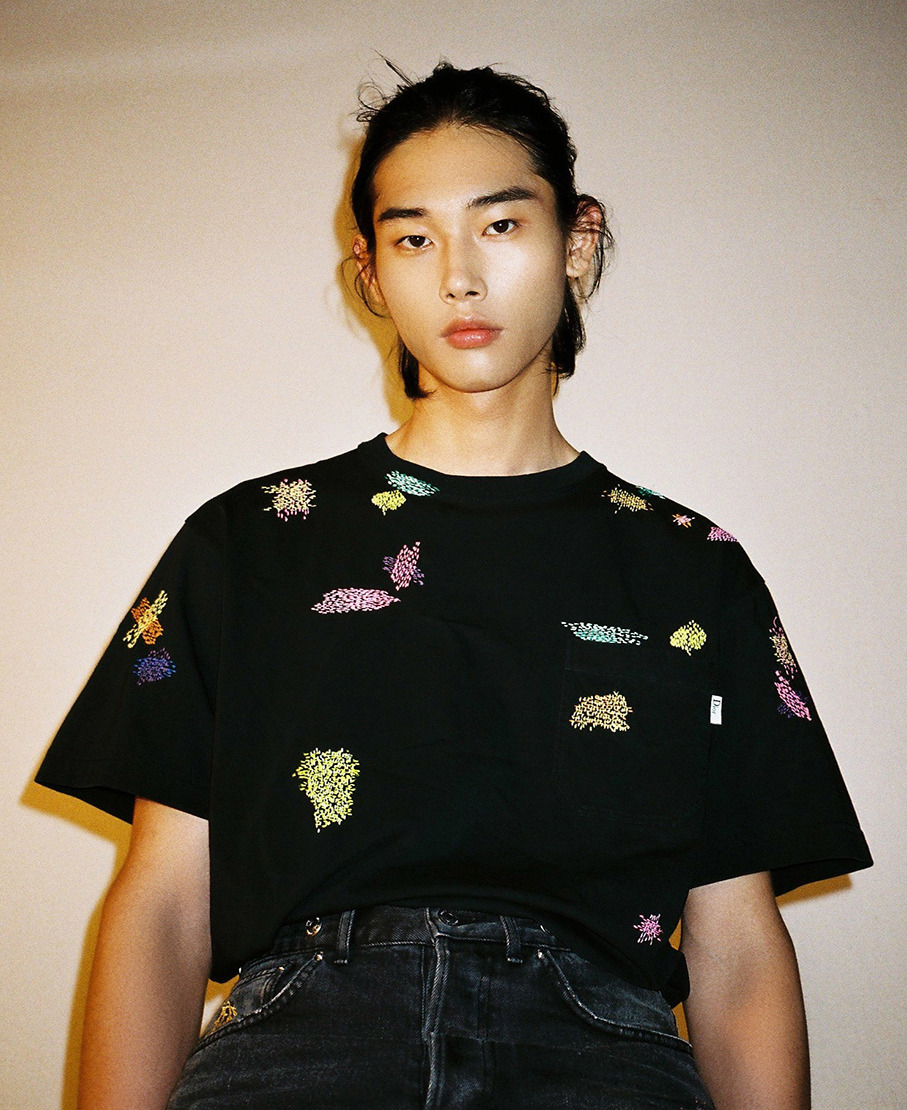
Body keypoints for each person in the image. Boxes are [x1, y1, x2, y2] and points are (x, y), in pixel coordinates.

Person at [36, 62, 871, 1109]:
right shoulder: (246, 543)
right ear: (370, 271)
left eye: (500, 226)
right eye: (413, 239)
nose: (459, 279)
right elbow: (163, 903)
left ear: (576, 240)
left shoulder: (691, 568)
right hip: (298, 1048)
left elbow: (736, 944)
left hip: (601, 1058)